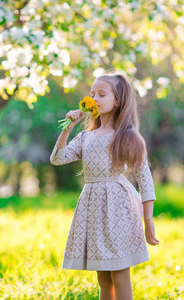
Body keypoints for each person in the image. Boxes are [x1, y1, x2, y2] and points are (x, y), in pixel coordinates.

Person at [50, 73, 159, 300]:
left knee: (119, 272)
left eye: (102, 94)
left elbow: (144, 178)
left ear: (117, 100)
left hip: (118, 208)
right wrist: (68, 127)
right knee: (103, 278)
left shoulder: (127, 136)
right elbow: (57, 158)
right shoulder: (86, 137)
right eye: (92, 94)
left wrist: (148, 219)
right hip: (92, 209)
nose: (95, 99)